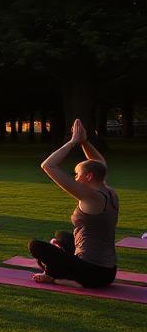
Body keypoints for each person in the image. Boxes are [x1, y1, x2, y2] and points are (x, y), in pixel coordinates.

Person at [27, 119, 118, 288]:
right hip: (108, 271)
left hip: (93, 273)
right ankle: (61, 269)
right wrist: (84, 142)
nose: (75, 178)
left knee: (36, 246)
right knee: (62, 236)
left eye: (77, 174)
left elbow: (48, 165)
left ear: (89, 176)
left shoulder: (91, 197)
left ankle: (55, 277)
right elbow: (99, 165)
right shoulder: (108, 192)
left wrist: (73, 141)